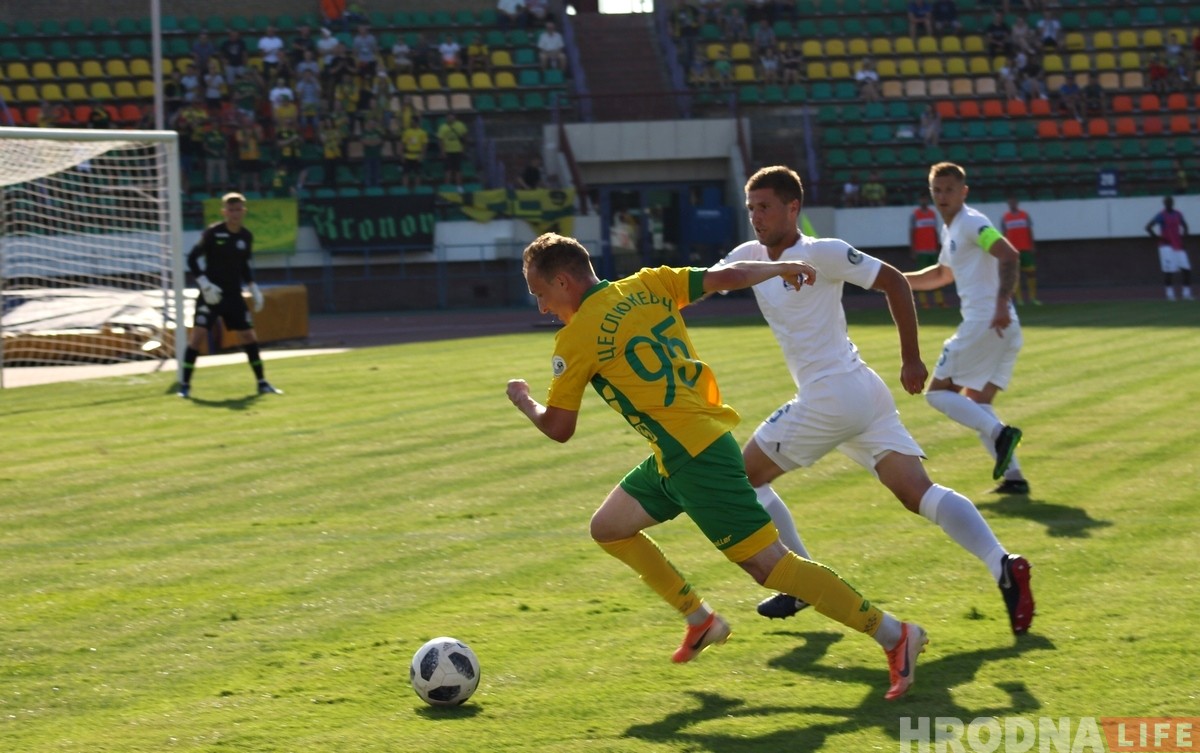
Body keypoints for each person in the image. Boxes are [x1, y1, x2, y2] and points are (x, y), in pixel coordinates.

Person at [506, 232, 929, 700]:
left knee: (770, 567)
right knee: (609, 528)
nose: (542, 307)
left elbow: (559, 427)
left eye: (540, 294)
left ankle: (894, 634)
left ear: (563, 282)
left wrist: (524, 401)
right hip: (686, 448)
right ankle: (700, 619)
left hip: (694, 460)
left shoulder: (576, 338)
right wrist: (779, 268)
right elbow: (729, 276)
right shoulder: (649, 282)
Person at [719, 165, 1034, 637]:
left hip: (832, 396)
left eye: (765, 207)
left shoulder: (822, 252)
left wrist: (911, 358)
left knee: (745, 479)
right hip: (859, 393)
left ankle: (800, 582)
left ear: (793, 207)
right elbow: (708, 280)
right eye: (750, 209)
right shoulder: (750, 255)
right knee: (918, 492)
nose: (756, 217)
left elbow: (894, 281)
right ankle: (1003, 565)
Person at [905, 163, 1030, 495]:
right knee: (978, 402)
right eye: (937, 190)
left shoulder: (972, 222)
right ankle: (1014, 478)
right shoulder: (951, 230)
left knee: (937, 393)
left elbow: (1008, 254)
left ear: (964, 192)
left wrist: (1001, 302)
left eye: (949, 189)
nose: (942, 196)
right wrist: (896, 281)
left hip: (986, 322)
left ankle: (1002, 434)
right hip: (1003, 326)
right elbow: (941, 275)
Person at [178, 193, 281, 399]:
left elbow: (243, 265)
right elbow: (192, 259)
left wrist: (253, 287)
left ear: (244, 211)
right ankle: (185, 385)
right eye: (231, 210)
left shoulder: (246, 236)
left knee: (249, 337)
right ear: (224, 212)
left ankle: (262, 382)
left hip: (233, 295)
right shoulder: (213, 233)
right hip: (211, 294)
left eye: (238, 209)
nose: (235, 213)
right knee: (197, 336)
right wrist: (204, 284)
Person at [1145, 196, 1194, 301]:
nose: (1169, 204)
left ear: (1173, 203)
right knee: (1169, 271)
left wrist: (1183, 238)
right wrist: (1159, 238)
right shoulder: (1161, 215)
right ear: (1164, 204)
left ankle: (1186, 294)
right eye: (1167, 202)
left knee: (1186, 269)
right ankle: (1170, 294)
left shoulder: (1178, 214)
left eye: (1170, 202)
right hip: (1166, 246)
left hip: (1178, 245)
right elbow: (1148, 227)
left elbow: (1185, 226)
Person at [1001, 197, 1039, 305]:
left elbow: (1030, 231)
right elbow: (1004, 234)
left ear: (1017, 203)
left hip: (1025, 248)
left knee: (1031, 272)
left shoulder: (1025, 215)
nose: (1012, 204)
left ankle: (1033, 298)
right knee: (1015, 275)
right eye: (1010, 203)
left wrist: (1032, 245)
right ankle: (1019, 300)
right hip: (1013, 250)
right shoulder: (1005, 217)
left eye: (1014, 202)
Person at [910, 194, 946, 309]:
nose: (923, 201)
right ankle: (923, 302)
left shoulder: (932, 214)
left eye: (925, 199)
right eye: (922, 199)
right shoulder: (915, 215)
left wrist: (938, 246)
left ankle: (940, 301)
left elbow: (935, 231)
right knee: (921, 276)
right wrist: (913, 249)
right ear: (919, 200)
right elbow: (912, 232)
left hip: (933, 250)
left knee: (937, 275)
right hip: (921, 251)